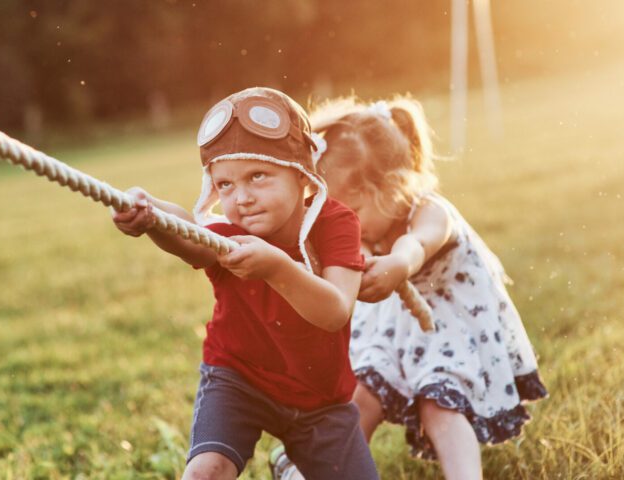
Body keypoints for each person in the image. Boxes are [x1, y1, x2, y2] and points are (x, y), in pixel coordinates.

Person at [270, 96, 548, 480]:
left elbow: (417, 245)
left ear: (391, 187)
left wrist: (398, 265)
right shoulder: (363, 230)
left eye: (352, 214)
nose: (347, 228)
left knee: (439, 406)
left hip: (449, 327)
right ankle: (319, 470)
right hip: (392, 326)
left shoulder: (432, 212)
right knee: (360, 396)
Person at [112, 87, 379, 480]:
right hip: (239, 378)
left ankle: (291, 468)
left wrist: (278, 268)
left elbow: (335, 311)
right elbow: (187, 232)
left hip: (321, 398)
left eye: (258, 176)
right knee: (207, 470)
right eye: (225, 185)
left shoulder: (335, 223)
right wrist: (151, 213)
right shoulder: (226, 234)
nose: (242, 198)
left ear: (302, 176)